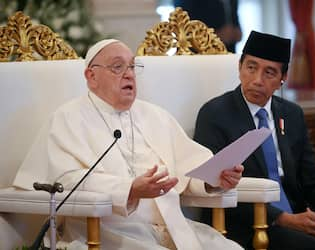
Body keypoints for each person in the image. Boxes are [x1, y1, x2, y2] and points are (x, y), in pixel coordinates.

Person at [12, 39, 244, 250]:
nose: (129, 74)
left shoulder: (155, 115)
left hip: (173, 229)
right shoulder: (67, 118)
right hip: (105, 233)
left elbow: (188, 171)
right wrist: (129, 189)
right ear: (91, 77)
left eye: (132, 67)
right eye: (117, 67)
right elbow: (63, 181)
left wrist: (215, 179)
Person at [193, 31, 315, 250]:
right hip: (248, 227)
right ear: (240, 67)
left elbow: (312, 177)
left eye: (269, 72)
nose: (257, 80)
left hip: (297, 218)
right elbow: (212, 185)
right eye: (251, 67)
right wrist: (282, 219)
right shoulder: (215, 114)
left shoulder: (291, 114)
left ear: (283, 79)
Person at [174, 0, 242, 53]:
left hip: (228, 55)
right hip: (199, 57)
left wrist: (237, 31)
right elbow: (183, 26)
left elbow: (235, 22)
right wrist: (215, 36)